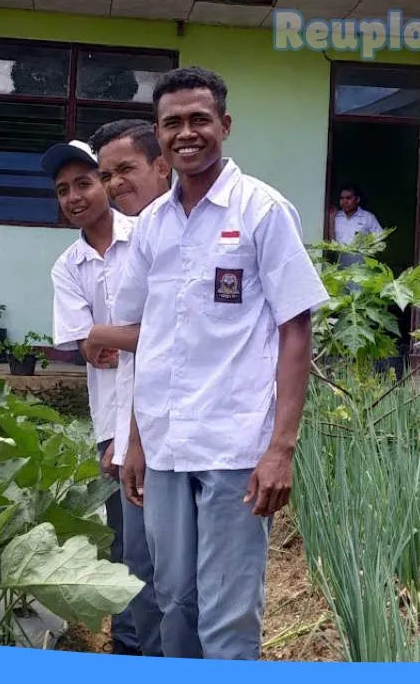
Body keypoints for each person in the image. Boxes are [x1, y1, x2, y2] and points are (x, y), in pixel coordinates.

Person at [100, 66, 329, 660]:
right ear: (159, 133)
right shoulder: (152, 225)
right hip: (167, 445)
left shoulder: (262, 210)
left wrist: (280, 448)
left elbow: (295, 327)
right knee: (173, 598)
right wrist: (135, 439)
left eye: (199, 119)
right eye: (172, 123)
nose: (186, 133)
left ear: (224, 125)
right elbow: (146, 338)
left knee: (228, 615)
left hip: (234, 445)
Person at [42, 138, 144, 656]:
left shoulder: (147, 235)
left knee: (166, 542)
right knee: (127, 541)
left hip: (161, 416)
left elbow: (162, 331)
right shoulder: (68, 266)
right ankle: (128, 648)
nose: (74, 196)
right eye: (63, 190)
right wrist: (108, 337)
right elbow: (90, 349)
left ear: (105, 183)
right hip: (111, 420)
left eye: (83, 183)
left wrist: (106, 335)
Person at [80, 118, 174, 658]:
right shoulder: (137, 239)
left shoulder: (172, 230)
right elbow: (145, 342)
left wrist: (102, 333)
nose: (114, 184)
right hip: (140, 426)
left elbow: (175, 330)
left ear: (159, 166)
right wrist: (127, 440)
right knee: (140, 557)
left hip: (195, 430)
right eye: (106, 174)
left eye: (124, 171)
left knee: (178, 570)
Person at [331, 183, 383, 267]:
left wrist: (368, 254)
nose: (344, 201)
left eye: (348, 198)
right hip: (337, 265)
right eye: (342, 198)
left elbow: (380, 239)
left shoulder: (368, 217)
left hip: (360, 266)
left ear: (357, 199)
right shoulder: (335, 217)